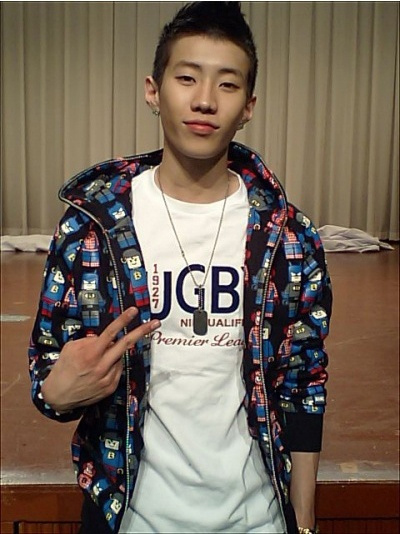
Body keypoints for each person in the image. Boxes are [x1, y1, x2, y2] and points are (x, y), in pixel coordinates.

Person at [29, 3, 332, 534]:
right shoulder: (91, 228)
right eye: (187, 77)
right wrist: (56, 393)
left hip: (256, 519)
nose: (205, 100)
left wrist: (303, 521)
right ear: (153, 91)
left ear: (248, 107)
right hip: (131, 519)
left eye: (227, 84)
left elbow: (303, 382)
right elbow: (50, 377)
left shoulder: (288, 236)